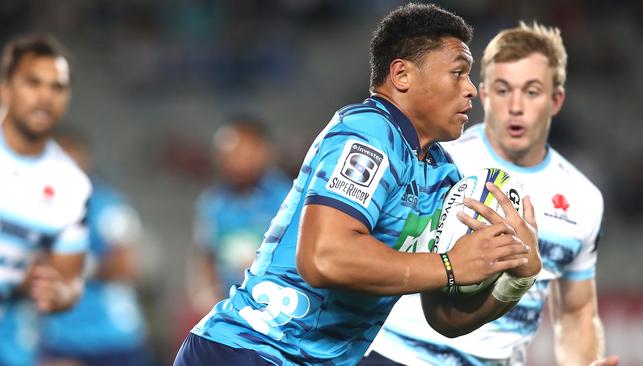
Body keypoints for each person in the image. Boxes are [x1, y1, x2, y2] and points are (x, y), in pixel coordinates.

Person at [174, 4, 541, 366]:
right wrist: (449, 265)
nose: (471, 90)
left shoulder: (445, 176)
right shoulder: (369, 133)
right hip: (254, 348)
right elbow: (323, 257)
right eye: (458, 73)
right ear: (402, 75)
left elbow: (444, 317)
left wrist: (515, 277)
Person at [365, 22, 619, 366]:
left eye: (531, 91)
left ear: (556, 100)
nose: (515, 106)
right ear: (483, 95)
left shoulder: (583, 199)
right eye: (502, 90)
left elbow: (576, 311)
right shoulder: (441, 160)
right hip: (396, 355)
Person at [0, 34, 91, 365]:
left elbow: (70, 281)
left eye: (57, 87)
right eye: (33, 82)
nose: (45, 96)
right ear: (5, 88)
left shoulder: (71, 186)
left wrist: (57, 293)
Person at [38, 130, 152, 366]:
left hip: (113, 334)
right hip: (62, 335)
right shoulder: (38, 210)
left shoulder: (110, 206)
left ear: (85, 162)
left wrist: (79, 266)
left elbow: (128, 265)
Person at [189, 118, 292, 315]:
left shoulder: (288, 198)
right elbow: (206, 256)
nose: (233, 161)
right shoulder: (213, 204)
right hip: (232, 314)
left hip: (279, 312)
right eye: (226, 155)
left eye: (241, 153)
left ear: (264, 151)